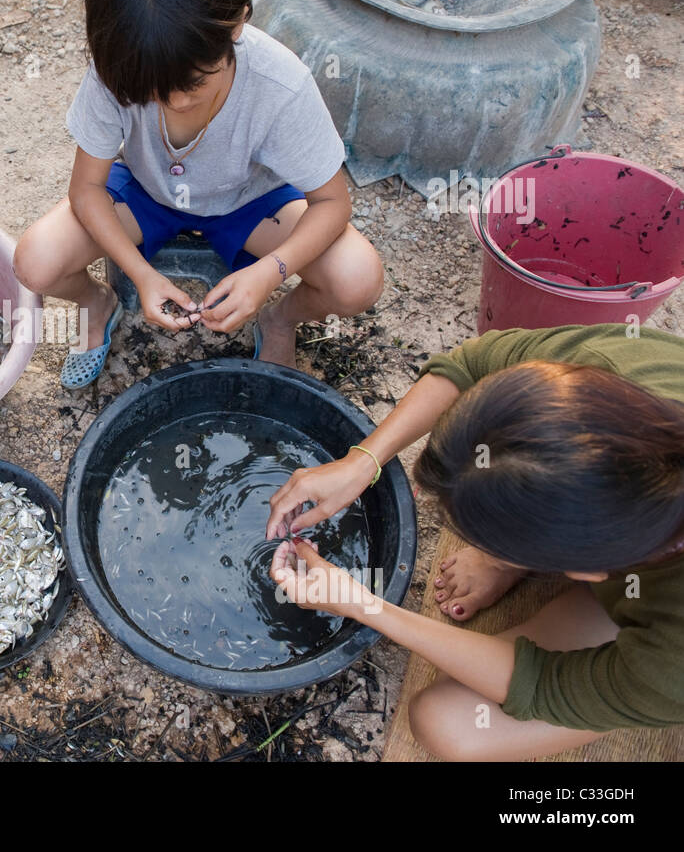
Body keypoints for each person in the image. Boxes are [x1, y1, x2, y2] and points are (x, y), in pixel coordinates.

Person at [265, 324, 684, 760]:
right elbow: (471, 364)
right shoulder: (617, 375)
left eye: (495, 544)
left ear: (587, 571)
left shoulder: (674, 664)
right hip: (634, 556)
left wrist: (365, 606)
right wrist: (363, 459)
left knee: (447, 725)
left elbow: (546, 684)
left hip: (661, 635)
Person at [12, 0, 383, 385]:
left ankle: (279, 321)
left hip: (250, 202)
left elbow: (332, 203)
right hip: (147, 191)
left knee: (358, 278)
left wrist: (270, 273)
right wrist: (141, 275)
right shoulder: (120, 64)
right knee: (35, 262)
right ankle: (97, 303)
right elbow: (86, 190)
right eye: (151, 91)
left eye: (194, 82)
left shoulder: (280, 85)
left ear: (236, 23)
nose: (176, 102)